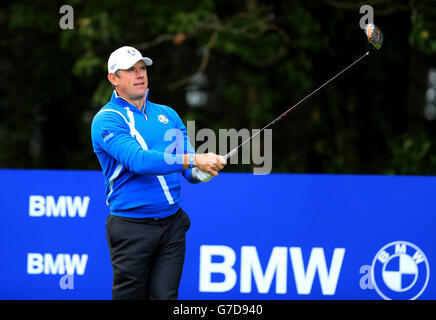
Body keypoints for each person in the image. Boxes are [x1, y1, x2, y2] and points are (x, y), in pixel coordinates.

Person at [91, 46, 226, 300]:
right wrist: (195, 159)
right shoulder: (106, 120)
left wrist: (202, 170)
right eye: (131, 70)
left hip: (172, 226)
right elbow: (139, 161)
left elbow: (188, 171)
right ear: (113, 78)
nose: (140, 74)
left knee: (165, 298)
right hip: (132, 228)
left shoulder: (167, 114)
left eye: (142, 68)